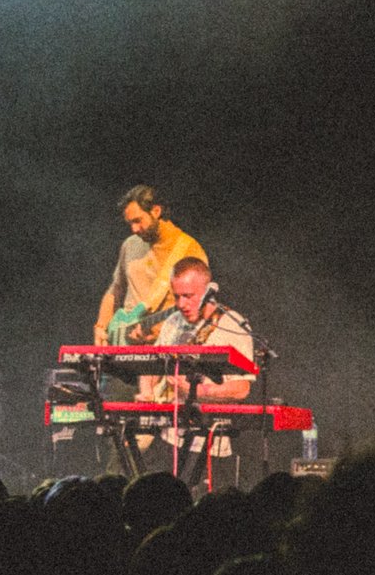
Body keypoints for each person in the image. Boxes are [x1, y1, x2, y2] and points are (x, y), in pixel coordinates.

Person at [137, 257, 258, 480]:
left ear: (208, 292)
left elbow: (241, 389)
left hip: (208, 441)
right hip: (168, 436)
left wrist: (195, 392)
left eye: (188, 296)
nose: (181, 304)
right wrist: (147, 391)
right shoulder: (173, 322)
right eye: (176, 296)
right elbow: (152, 365)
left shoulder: (231, 325)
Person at [92, 184, 209, 345]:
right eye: (130, 223)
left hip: (164, 345)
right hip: (123, 343)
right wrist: (101, 325)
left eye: (138, 221)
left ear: (156, 211)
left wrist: (159, 332)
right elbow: (116, 288)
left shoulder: (189, 250)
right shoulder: (130, 244)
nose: (134, 229)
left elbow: (200, 306)